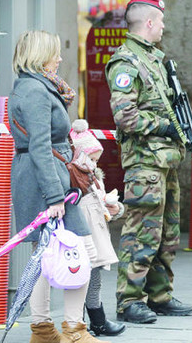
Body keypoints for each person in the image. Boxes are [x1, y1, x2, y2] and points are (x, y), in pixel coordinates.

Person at [9, 30, 107, 343]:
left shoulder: (31, 87)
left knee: (44, 254)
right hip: (47, 181)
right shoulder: (36, 91)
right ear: (40, 55)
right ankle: (74, 330)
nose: (60, 58)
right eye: (55, 52)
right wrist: (55, 196)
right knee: (81, 252)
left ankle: (43, 330)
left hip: (39, 176)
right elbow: (39, 146)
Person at [106, 0, 192, 324]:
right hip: (145, 162)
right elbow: (125, 117)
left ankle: (159, 294)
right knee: (142, 232)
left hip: (164, 161)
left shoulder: (153, 59)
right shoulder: (127, 62)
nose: (165, 28)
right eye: (162, 22)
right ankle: (129, 300)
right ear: (150, 23)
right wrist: (163, 125)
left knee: (167, 234)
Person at [69, 119, 127, 337]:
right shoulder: (75, 177)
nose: (94, 163)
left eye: (96, 159)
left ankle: (97, 320)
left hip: (96, 233)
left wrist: (114, 208)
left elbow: (100, 203)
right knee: (82, 278)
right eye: (91, 158)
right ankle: (83, 322)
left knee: (95, 278)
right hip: (84, 234)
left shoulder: (93, 177)